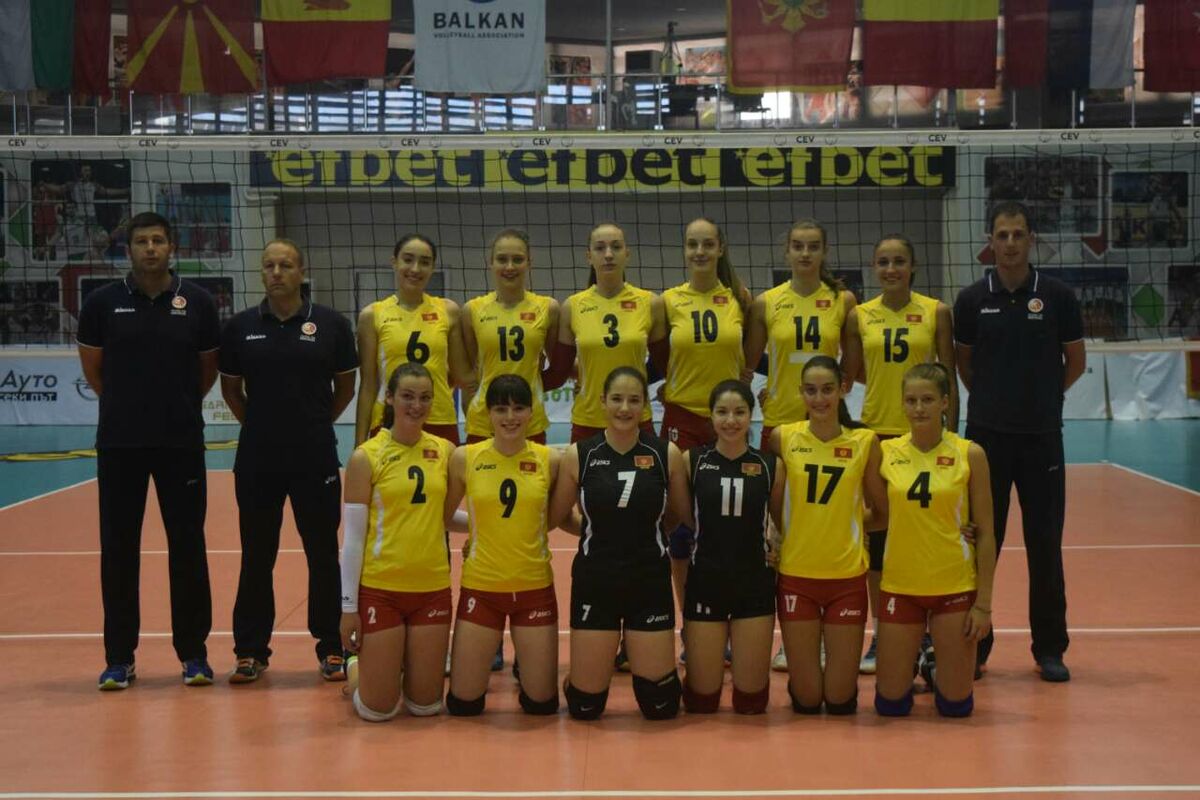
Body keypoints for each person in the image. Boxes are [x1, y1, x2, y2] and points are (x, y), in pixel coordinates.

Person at [76, 211, 219, 690]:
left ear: (171, 247)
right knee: (118, 550)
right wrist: (127, 407)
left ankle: (193, 655)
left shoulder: (197, 302)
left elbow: (206, 372)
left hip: (181, 442)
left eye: (158, 240)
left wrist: (176, 407)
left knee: (188, 548)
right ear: (129, 249)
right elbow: (95, 371)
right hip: (121, 443)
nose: (151, 248)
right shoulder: (101, 303)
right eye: (142, 241)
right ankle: (120, 659)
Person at [953, 200, 1086, 683]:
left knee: (1045, 545)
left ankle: (1049, 648)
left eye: (1018, 234)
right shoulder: (972, 299)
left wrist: (1044, 400)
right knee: (981, 543)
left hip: (1042, 439)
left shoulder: (1057, 296)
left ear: (1031, 239)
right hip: (986, 441)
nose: (1009, 243)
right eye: (1002, 235)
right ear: (990, 241)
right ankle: (976, 646)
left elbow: (1075, 362)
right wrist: (995, 404)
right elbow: (965, 366)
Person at [218, 239, 358, 684]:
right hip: (258, 459)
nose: (276, 272)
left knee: (323, 553)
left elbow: (346, 388)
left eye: (285, 265)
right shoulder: (240, 327)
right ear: (262, 273)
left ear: (301, 271)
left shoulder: (332, 325)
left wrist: (314, 423)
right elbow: (231, 390)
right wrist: (261, 425)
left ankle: (331, 646)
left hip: (314, 455)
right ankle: (250, 650)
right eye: (269, 266)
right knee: (257, 555)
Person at [743, 218, 857, 673]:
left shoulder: (843, 301)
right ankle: (790, 637)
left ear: (824, 251)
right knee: (778, 534)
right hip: (779, 429)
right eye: (797, 246)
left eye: (813, 247)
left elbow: (852, 367)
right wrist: (760, 394)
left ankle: (828, 634)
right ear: (786, 252)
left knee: (825, 528)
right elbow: (748, 363)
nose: (805, 254)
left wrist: (834, 398)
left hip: (826, 430)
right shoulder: (766, 302)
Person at [548, 367, 691, 720]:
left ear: (645, 405)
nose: (625, 408)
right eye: (617, 399)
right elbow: (558, 516)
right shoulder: (580, 454)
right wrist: (594, 529)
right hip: (597, 580)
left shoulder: (666, 453)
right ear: (602, 401)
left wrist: (649, 530)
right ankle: (580, 680)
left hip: (648, 580)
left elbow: (679, 513)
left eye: (633, 400)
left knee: (661, 706)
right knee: (585, 707)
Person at [842, 233, 956, 674]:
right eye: (883, 262)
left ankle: (927, 634)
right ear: (874, 268)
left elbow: (947, 378)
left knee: (924, 537)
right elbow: (850, 374)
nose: (891, 269)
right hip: (877, 435)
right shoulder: (859, 315)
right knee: (878, 541)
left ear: (913, 267)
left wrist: (951, 437)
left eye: (899, 262)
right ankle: (882, 633)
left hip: (925, 438)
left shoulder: (935, 312)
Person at [874, 363, 996, 717]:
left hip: (953, 586)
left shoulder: (970, 454)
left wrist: (984, 604)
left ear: (945, 402)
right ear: (902, 403)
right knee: (890, 705)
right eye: (911, 400)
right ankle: (919, 659)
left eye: (927, 400)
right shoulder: (885, 452)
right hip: (901, 585)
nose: (918, 408)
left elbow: (986, 532)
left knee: (955, 707)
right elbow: (869, 513)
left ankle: (932, 663)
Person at [339, 363, 455, 721]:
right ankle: (356, 667)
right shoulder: (366, 457)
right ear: (389, 398)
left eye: (425, 398)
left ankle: (393, 665)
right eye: (407, 396)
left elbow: (444, 516)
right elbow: (353, 539)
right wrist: (348, 608)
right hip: (382, 591)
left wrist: (488, 528)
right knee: (377, 711)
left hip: (431, 589)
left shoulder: (446, 451)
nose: (416, 406)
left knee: (426, 706)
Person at [770, 357, 886, 715]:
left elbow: (882, 512)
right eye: (811, 390)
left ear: (843, 390)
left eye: (827, 390)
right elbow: (771, 504)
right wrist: (778, 536)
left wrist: (846, 524)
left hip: (846, 578)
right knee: (807, 700)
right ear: (800, 393)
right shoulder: (783, 437)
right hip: (796, 576)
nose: (819, 399)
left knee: (838, 700)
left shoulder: (864, 441)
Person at [442, 374, 562, 716]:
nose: (510, 417)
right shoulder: (465, 458)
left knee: (542, 705)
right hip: (482, 589)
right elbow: (445, 517)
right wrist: (479, 528)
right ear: (488, 413)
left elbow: (557, 517)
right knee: (463, 704)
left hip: (534, 589)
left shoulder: (550, 460)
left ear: (531, 412)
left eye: (519, 408)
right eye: (501, 409)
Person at [660, 217, 751, 632]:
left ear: (720, 248)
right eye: (692, 244)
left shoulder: (740, 299)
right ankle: (691, 623)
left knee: (728, 526)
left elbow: (751, 358)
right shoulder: (667, 301)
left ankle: (728, 622)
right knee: (680, 528)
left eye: (707, 244)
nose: (700, 251)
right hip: (682, 418)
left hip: (727, 420)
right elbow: (656, 357)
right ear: (685, 249)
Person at [679, 380, 782, 714]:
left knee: (751, 702)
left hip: (754, 583)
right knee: (702, 700)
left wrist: (777, 549)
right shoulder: (692, 461)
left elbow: (782, 523)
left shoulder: (770, 465)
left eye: (739, 412)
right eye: (722, 412)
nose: (731, 420)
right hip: (706, 581)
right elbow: (685, 517)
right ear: (711, 416)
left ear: (751, 415)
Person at [546, 222, 668, 442]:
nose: (609, 254)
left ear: (627, 254)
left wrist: (648, 386)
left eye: (616, 247)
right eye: (600, 248)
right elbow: (560, 372)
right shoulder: (572, 306)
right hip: (588, 421)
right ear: (589, 257)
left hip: (636, 418)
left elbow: (663, 365)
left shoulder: (650, 303)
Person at [355, 234, 473, 447]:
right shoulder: (372, 315)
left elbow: (461, 375)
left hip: (439, 418)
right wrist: (359, 443)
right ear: (394, 262)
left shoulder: (448, 310)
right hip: (389, 420)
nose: (415, 269)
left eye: (425, 262)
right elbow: (368, 385)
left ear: (432, 267)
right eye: (408, 260)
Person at [462, 229, 559, 445]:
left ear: (529, 263)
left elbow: (558, 367)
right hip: (483, 420)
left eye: (517, 259)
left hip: (530, 420)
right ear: (491, 263)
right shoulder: (472, 310)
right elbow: (470, 371)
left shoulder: (548, 308)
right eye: (502, 259)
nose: (509, 267)